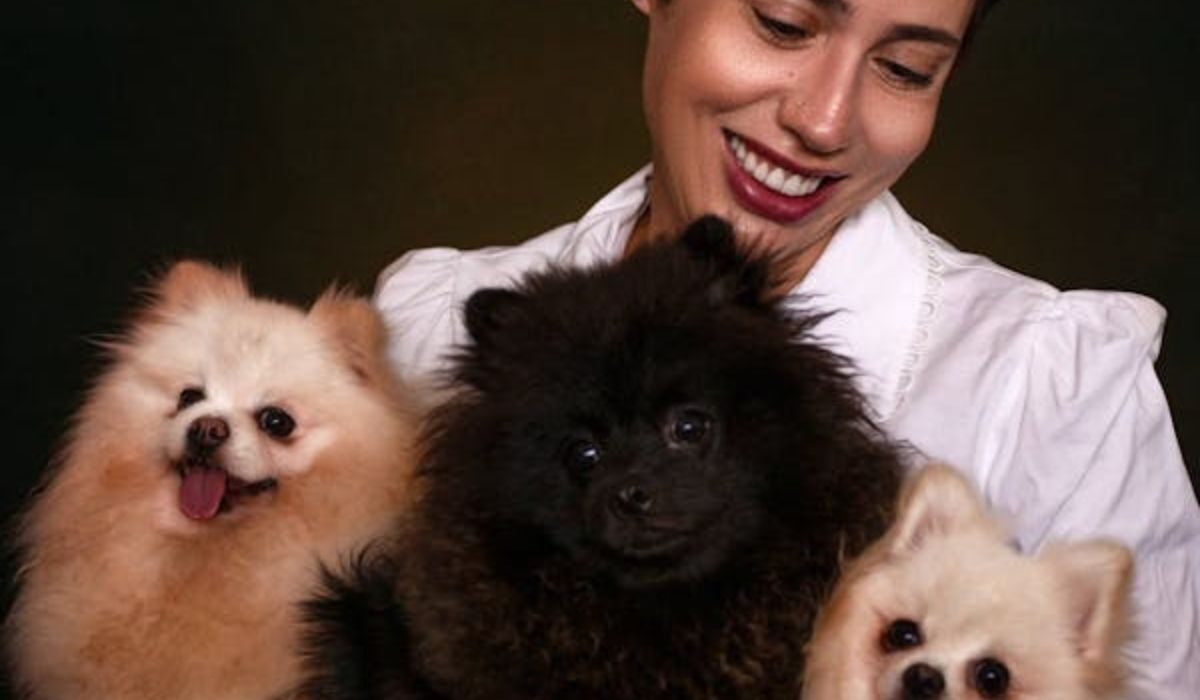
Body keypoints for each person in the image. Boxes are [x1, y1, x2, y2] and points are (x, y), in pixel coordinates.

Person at [374, 0, 1199, 696]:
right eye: (785, 23)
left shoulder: (1057, 383)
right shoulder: (431, 319)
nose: (823, 120)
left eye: (905, 69)